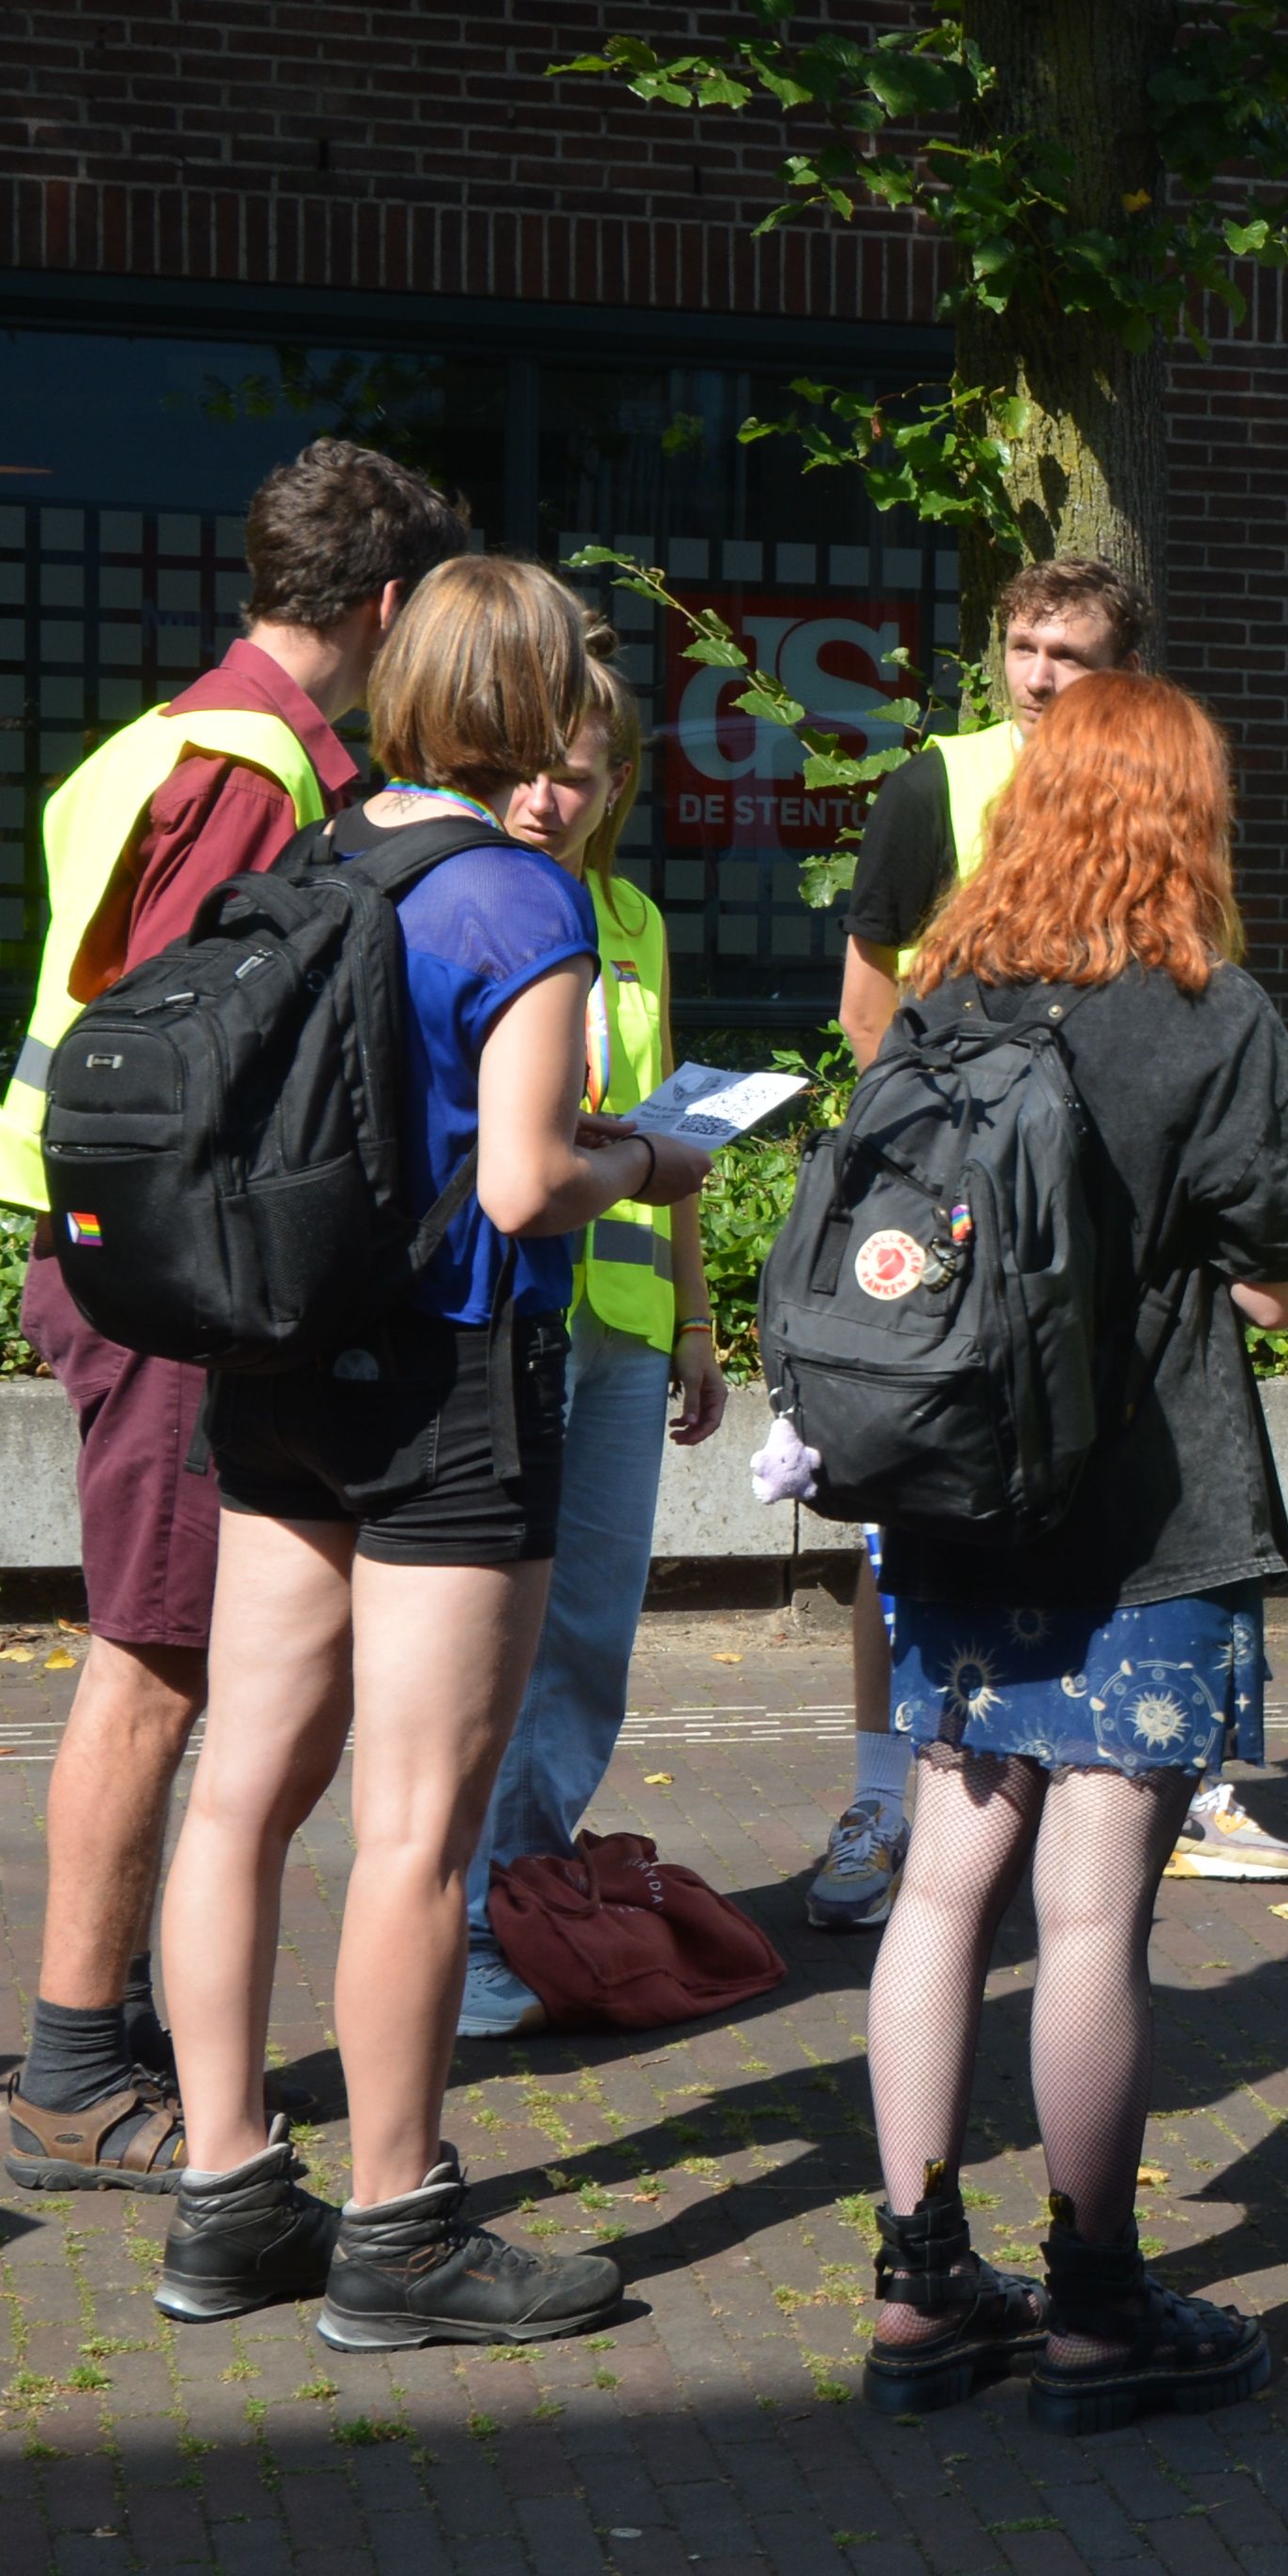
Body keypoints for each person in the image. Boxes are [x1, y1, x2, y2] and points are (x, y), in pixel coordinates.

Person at [145, 556, 710, 2347]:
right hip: (453, 1382)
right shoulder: (517, 898)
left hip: (282, 1362)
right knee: (415, 1830)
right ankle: (398, 2227)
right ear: (536, 700)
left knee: (239, 1790)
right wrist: (652, 1163)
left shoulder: (310, 857)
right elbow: (534, 1178)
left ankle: (225, 2195)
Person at [849, 670, 1288, 2433]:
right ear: (1183, 819)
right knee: (1090, 1918)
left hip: (954, 1495)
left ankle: (919, 2288)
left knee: (938, 1883)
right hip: (1146, 1516)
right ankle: (1092, 2301)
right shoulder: (1208, 1018)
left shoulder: (940, 1002)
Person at [0, 435, 466, 2194]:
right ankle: (68, 2074)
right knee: (156, 1657)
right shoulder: (261, 774)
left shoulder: (156, 741)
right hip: (167, 1284)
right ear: (395, 608)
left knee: (166, 1651)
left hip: (104, 1251)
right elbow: (208, 1059)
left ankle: (102, 2046)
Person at [816, 556, 1288, 1916]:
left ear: (1126, 673)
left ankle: (1169, 1789)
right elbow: (875, 1014)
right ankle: (878, 1797)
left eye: (1069, 655)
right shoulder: (940, 785)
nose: (1038, 678)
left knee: (969, 1865)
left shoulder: (1154, 798)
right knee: (1080, 1900)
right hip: (970, 1281)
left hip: (1091, 1290)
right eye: (1022, 646)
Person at [457, 661, 729, 2038]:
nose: (547, 795)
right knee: (489, 1643)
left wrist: (694, 1321)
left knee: (587, 1645)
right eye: (531, 764)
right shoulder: (470, 901)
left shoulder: (629, 920)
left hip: (619, 1338)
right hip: (506, 1322)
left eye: (579, 771)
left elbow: (669, 1142)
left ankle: (521, 1890)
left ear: (618, 788)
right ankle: (466, 1926)